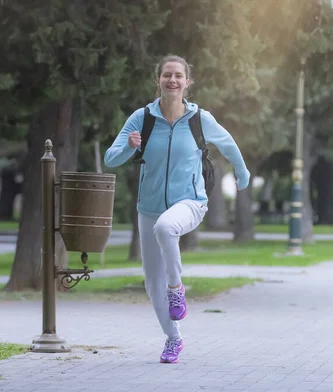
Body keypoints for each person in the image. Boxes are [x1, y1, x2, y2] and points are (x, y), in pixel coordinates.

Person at [104, 55, 250, 363]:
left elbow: (228, 144)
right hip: (149, 206)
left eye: (178, 76)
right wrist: (129, 146)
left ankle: (176, 288)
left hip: (190, 202)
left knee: (166, 228)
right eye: (167, 75)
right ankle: (173, 338)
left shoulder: (199, 119)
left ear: (187, 82)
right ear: (157, 80)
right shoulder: (141, 118)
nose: (172, 80)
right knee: (150, 282)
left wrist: (242, 173)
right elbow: (110, 158)